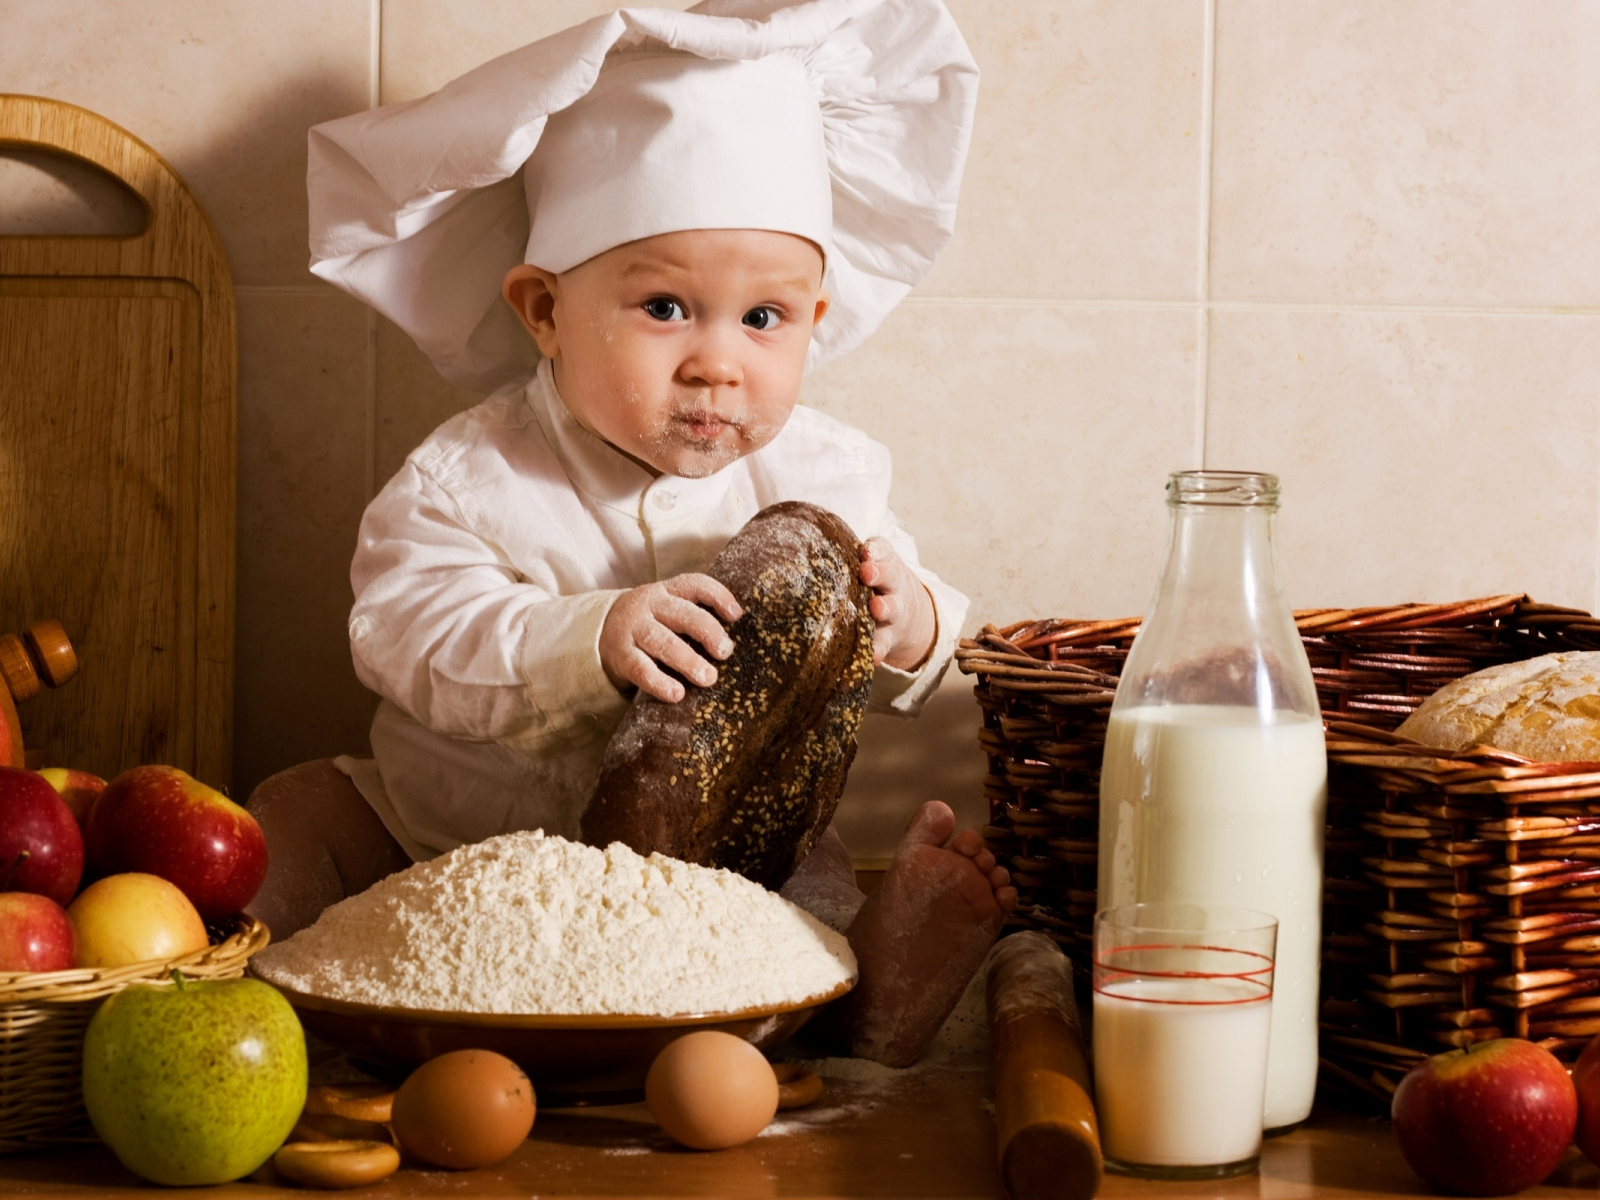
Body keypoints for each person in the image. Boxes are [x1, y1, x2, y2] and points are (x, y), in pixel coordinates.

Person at [246, 0, 1015, 1066]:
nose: (716, 361)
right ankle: (254, 1006)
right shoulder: (469, 476)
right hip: (453, 856)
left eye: (763, 319)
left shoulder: (825, 473)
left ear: (815, 324)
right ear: (544, 310)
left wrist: (908, 617)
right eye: (664, 307)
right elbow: (403, 634)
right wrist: (586, 638)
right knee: (297, 811)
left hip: (721, 881)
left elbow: (897, 660)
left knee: (804, 907)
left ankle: (869, 1005)